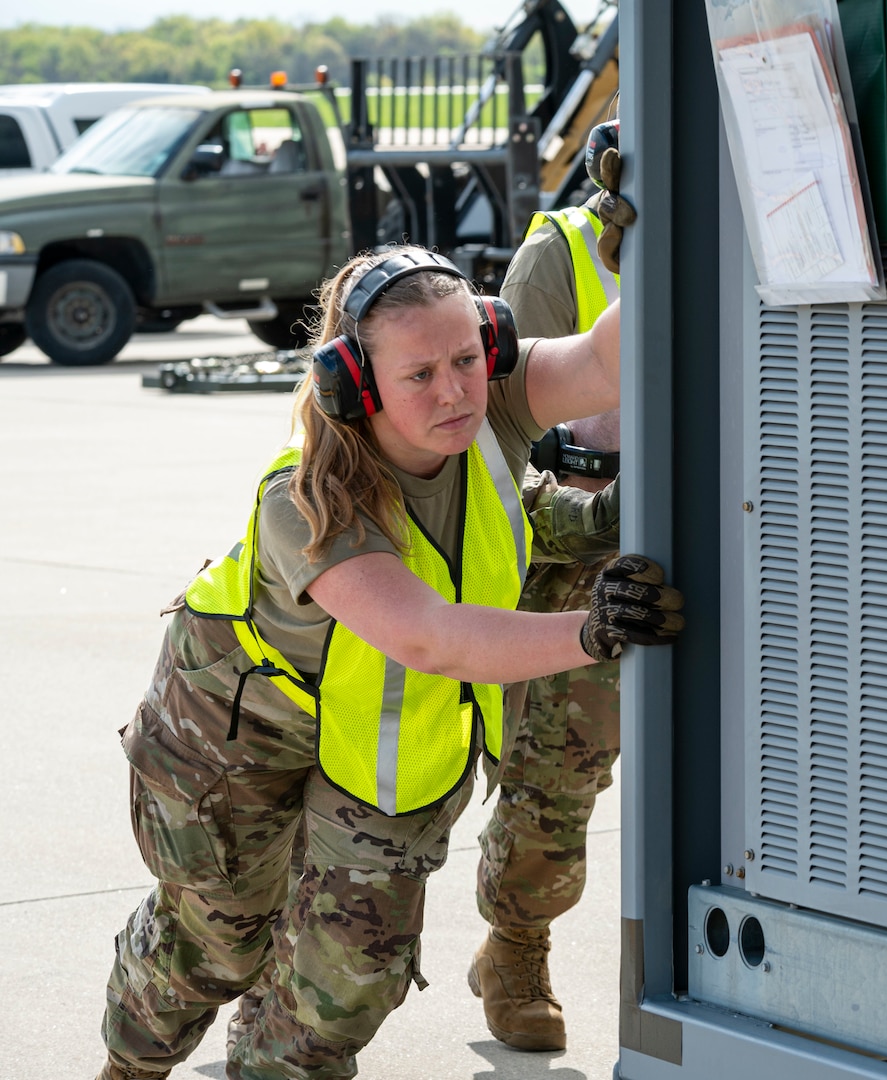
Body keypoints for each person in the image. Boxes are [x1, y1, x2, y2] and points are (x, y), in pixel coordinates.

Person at [98, 246, 682, 1080]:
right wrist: (590, 633)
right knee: (217, 948)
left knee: (349, 983)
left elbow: (602, 356)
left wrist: (659, 222)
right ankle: (127, 1067)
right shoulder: (306, 495)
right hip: (236, 729)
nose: (453, 392)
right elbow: (427, 636)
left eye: (467, 360)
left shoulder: (494, 405)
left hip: (376, 742)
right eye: (418, 375)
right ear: (355, 384)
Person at [464, 118, 628, 1052]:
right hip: (580, 546)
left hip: (729, 521)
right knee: (560, 767)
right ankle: (516, 942)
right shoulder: (558, 252)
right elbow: (505, 454)